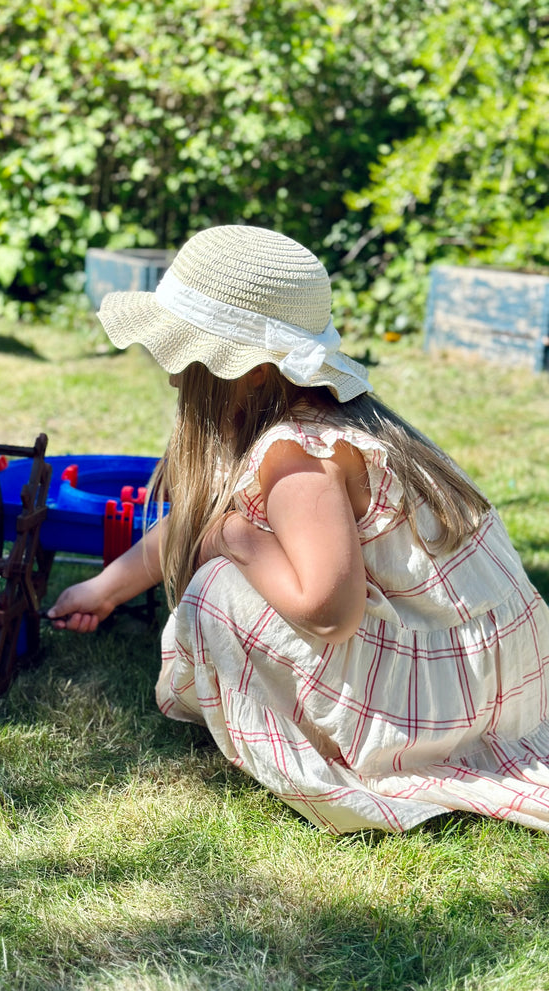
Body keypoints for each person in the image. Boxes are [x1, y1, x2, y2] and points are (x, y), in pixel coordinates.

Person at [48, 225, 549, 834]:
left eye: (186, 355)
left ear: (254, 372)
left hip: (439, 711)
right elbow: (194, 518)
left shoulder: (299, 456)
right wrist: (104, 589)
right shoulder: (331, 421)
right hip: (495, 683)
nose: (173, 373)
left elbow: (329, 611)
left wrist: (233, 540)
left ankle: (344, 753)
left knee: (216, 593)